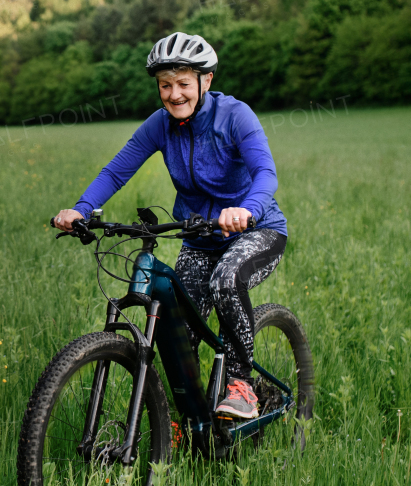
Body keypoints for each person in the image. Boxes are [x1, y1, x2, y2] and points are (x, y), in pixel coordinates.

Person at [52, 32, 288, 419]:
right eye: (165, 85)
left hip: (256, 230)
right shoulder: (160, 125)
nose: (174, 94)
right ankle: (193, 423)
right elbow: (117, 171)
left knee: (227, 281)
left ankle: (242, 382)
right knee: (180, 335)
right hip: (199, 238)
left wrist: (246, 209)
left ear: (205, 81)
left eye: (183, 83)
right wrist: (82, 209)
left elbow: (265, 171)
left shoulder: (234, 116)